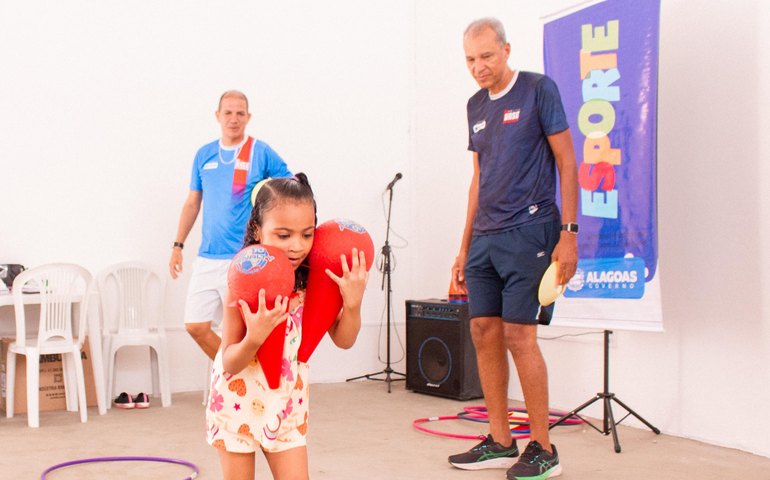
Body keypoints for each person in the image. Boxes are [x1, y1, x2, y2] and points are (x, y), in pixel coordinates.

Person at [447, 18, 579, 480]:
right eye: (470, 59)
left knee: (519, 336)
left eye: (486, 56)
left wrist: (569, 233)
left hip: (530, 231)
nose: (478, 67)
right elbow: (478, 180)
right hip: (485, 237)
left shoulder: (539, 90)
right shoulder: (474, 106)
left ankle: (544, 448)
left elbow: (567, 161)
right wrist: (463, 249)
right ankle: (501, 440)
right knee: (484, 330)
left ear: (505, 50)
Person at [206, 174, 369, 480]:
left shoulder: (317, 280)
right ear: (257, 229)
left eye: (307, 235)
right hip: (236, 403)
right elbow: (229, 361)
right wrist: (254, 338)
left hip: (287, 405)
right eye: (283, 235)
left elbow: (344, 340)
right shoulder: (243, 281)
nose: (297, 246)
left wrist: (353, 303)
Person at [170, 90, 292, 361]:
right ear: (218, 116)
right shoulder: (204, 155)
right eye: (228, 112)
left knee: (238, 332)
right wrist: (178, 245)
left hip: (244, 260)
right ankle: (239, 369)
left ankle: (239, 376)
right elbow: (192, 203)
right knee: (196, 326)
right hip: (207, 257)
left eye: (240, 113)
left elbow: (291, 188)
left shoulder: (260, 152)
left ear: (248, 117)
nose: (234, 119)